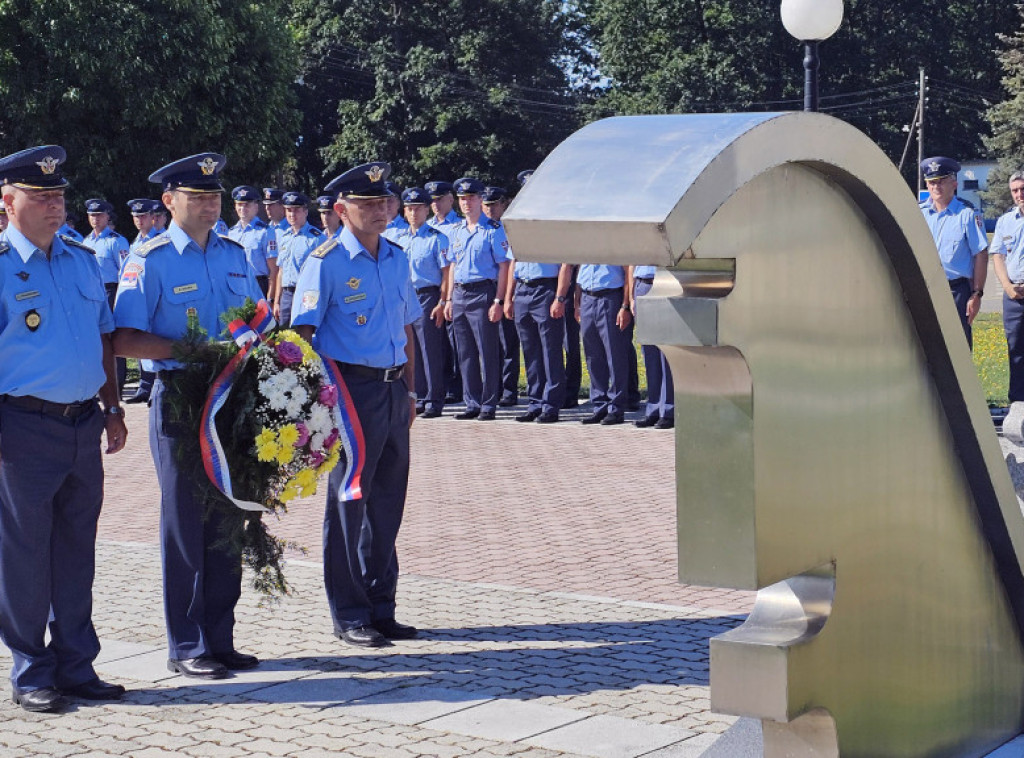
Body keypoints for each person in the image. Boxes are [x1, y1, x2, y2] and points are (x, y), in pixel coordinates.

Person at [112, 152, 264, 680]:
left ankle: (219, 637)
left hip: (235, 400)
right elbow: (124, 338)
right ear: (169, 202)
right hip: (182, 396)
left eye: (214, 196)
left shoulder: (236, 253)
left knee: (229, 515)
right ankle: (186, 643)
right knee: (185, 521)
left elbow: (256, 319)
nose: (208, 205)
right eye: (196, 197)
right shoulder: (148, 259)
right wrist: (193, 351)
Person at [0, 145, 127, 712]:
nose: (55, 206)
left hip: (83, 425)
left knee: (77, 551)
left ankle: (76, 664)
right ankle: (31, 672)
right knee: (25, 554)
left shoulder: (81, 258)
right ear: (8, 201)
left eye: (59, 195)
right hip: (22, 428)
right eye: (41, 195)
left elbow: (102, 339)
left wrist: (115, 406)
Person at [291, 161, 420, 648]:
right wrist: (313, 403)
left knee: (388, 499)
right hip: (349, 392)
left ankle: (381, 604)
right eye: (367, 204)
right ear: (342, 210)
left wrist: (410, 389)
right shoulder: (325, 262)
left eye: (384, 202)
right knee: (350, 501)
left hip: (390, 390)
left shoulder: (396, 256)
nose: (380, 211)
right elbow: (301, 335)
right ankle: (349, 612)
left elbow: (406, 327)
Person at [444, 177, 512, 420]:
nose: (467, 203)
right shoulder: (456, 231)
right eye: (462, 199)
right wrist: (449, 299)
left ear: (480, 199)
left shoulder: (493, 230)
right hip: (460, 293)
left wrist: (498, 301)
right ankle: (471, 402)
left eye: (471, 198)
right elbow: (452, 264)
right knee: (465, 352)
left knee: (487, 351)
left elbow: (504, 266)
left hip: (483, 292)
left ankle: (488, 403)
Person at [919, 156, 988, 348]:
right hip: (926, 289)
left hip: (956, 291)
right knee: (927, 346)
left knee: (958, 347)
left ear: (954, 184)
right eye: (931, 182)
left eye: (941, 181)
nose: (936, 187)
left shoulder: (966, 214)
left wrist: (977, 293)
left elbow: (981, 254)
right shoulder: (920, 214)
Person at [503, 233, 571, 424]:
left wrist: (559, 298)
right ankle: (535, 403)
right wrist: (508, 298)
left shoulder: (552, 231)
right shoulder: (519, 231)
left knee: (551, 351)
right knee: (530, 352)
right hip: (523, 289)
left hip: (546, 289)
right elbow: (512, 264)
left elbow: (566, 265)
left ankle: (550, 406)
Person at [396, 186, 450, 418]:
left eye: (418, 208)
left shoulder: (437, 238)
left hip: (428, 295)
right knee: (411, 350)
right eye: (409, 208)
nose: (413, 213)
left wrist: (443, 301)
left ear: (427, 210)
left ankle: (434, 399)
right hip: (405, 297)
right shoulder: (398, 239)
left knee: (430, 350)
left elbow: (447, 273)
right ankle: (417, 394)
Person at [576, 263, 632, 425]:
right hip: (587, 297)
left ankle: (616, 408)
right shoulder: (585, 242)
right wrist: (577, 301)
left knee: (614, 355)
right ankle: (599, 405)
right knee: (593, 356)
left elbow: (628, 270)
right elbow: (580, 268)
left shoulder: (614, 242)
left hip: (610, 297)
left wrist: (625, 305)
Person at [483, 186, 520, 406]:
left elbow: (508, 265)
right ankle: (492, 387)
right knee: (489, 343)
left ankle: (509, 389)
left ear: (503, 205)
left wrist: (507, 297)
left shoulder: (508, 229)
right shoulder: (482, 228)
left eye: (494, 204)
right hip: (485, 289)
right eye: (486, 204)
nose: (490, 209)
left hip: (505, 289)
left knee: (508, 343)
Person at [426, 179, 462, 403]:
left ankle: (457, 387)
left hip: (451, 290)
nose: (436, 204)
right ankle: (440, 385)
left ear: (451, 199)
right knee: (434, 345)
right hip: (431, 291)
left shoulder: (457, 225)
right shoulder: (428, 226)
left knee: (454, 342)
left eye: (440, 199)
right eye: (433, 201)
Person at [124, 199, 161, 404]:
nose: (139, 221)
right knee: (140, 338)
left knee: (156, 338)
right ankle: (144, 386)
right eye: (136, 217)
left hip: (157, 294)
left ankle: (156, 385)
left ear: (152, 217)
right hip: (138, 294)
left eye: (143, 216)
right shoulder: (135, 243)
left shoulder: (162, 240)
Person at [992, 171, 1024, 403]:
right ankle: (1018, 405)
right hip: (1014, 296)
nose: (1019, 194)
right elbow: (998, 256)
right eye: (1015, 190)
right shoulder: (1005, 222)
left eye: (1023, 189)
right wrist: (1008, 286)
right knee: (1015, 352)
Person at [630, 266, 674, 428]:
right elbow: (631, 266)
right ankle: (653, 409)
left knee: (666, 351)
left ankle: (668, 410)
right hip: (641, 285)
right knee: (649, 353)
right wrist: (631, 297)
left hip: (663, 284)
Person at [274, 191, 321, 327]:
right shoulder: (285, 237)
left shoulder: (316, 238)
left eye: (296, 210)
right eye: (289, 210)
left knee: (303, 335)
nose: (292, 214)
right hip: (287, 295)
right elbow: (281, 271)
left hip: (307, 295)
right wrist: (277, 301)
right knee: (284, 336)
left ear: (305, 212)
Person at [228, 185, 278, 299]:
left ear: (256, 207)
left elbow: (274, 270)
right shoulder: (232, 233)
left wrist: (270, 297)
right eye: (239, 205)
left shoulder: (265, 232)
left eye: (247, 205)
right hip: (237, 285)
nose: (242, 209)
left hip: (259, 284)